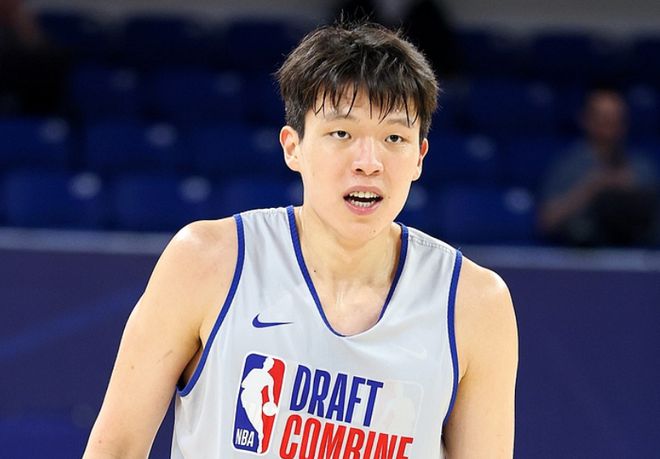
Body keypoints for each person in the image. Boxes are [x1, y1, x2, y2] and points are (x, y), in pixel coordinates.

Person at [83, 21, 518, 458]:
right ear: (293, 146)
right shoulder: (206, 261)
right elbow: (116, 449)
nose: (369, 162)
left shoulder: (475, 304)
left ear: (419, 157)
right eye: (342, 133)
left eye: (394, 138)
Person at [539, 88, 659, 246]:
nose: (609, 123)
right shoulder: (568, 165)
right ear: (585, 119)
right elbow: (547, 221)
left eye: (615, 117)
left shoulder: (642, 166)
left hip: (637, 254)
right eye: (603, 117)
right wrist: (592, 188)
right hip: (584, 252)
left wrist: (630, 190)